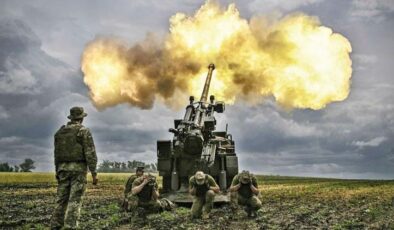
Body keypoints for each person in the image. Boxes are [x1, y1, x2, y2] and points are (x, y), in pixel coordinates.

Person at [50, 106, 98, 230]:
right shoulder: (84, 131)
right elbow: (90, 153)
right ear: (81, 118)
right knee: (74, 200)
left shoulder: (59, 132)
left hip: (62, 169)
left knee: (61, 199)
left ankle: (55, 225)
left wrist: (57, 170)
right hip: (78, 170)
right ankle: (70, 227)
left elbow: (57, 154)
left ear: (71, 117)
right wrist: (94, 173)